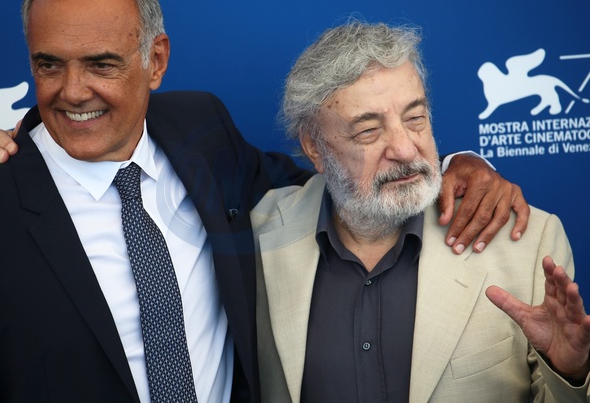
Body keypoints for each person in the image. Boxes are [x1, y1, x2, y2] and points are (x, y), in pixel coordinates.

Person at [0, 0, 527, 403]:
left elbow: (339, 178)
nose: (73, 91)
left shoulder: (202, 131)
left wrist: (457, 166)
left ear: (155, 61)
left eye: (101, 64)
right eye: (49, 65)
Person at [252, 21, 590, 402]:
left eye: (415, 118)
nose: (405, 149)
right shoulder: (255, 240)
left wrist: (570, 373)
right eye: (369, 131)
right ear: (314, 146)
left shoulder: (528, 243)